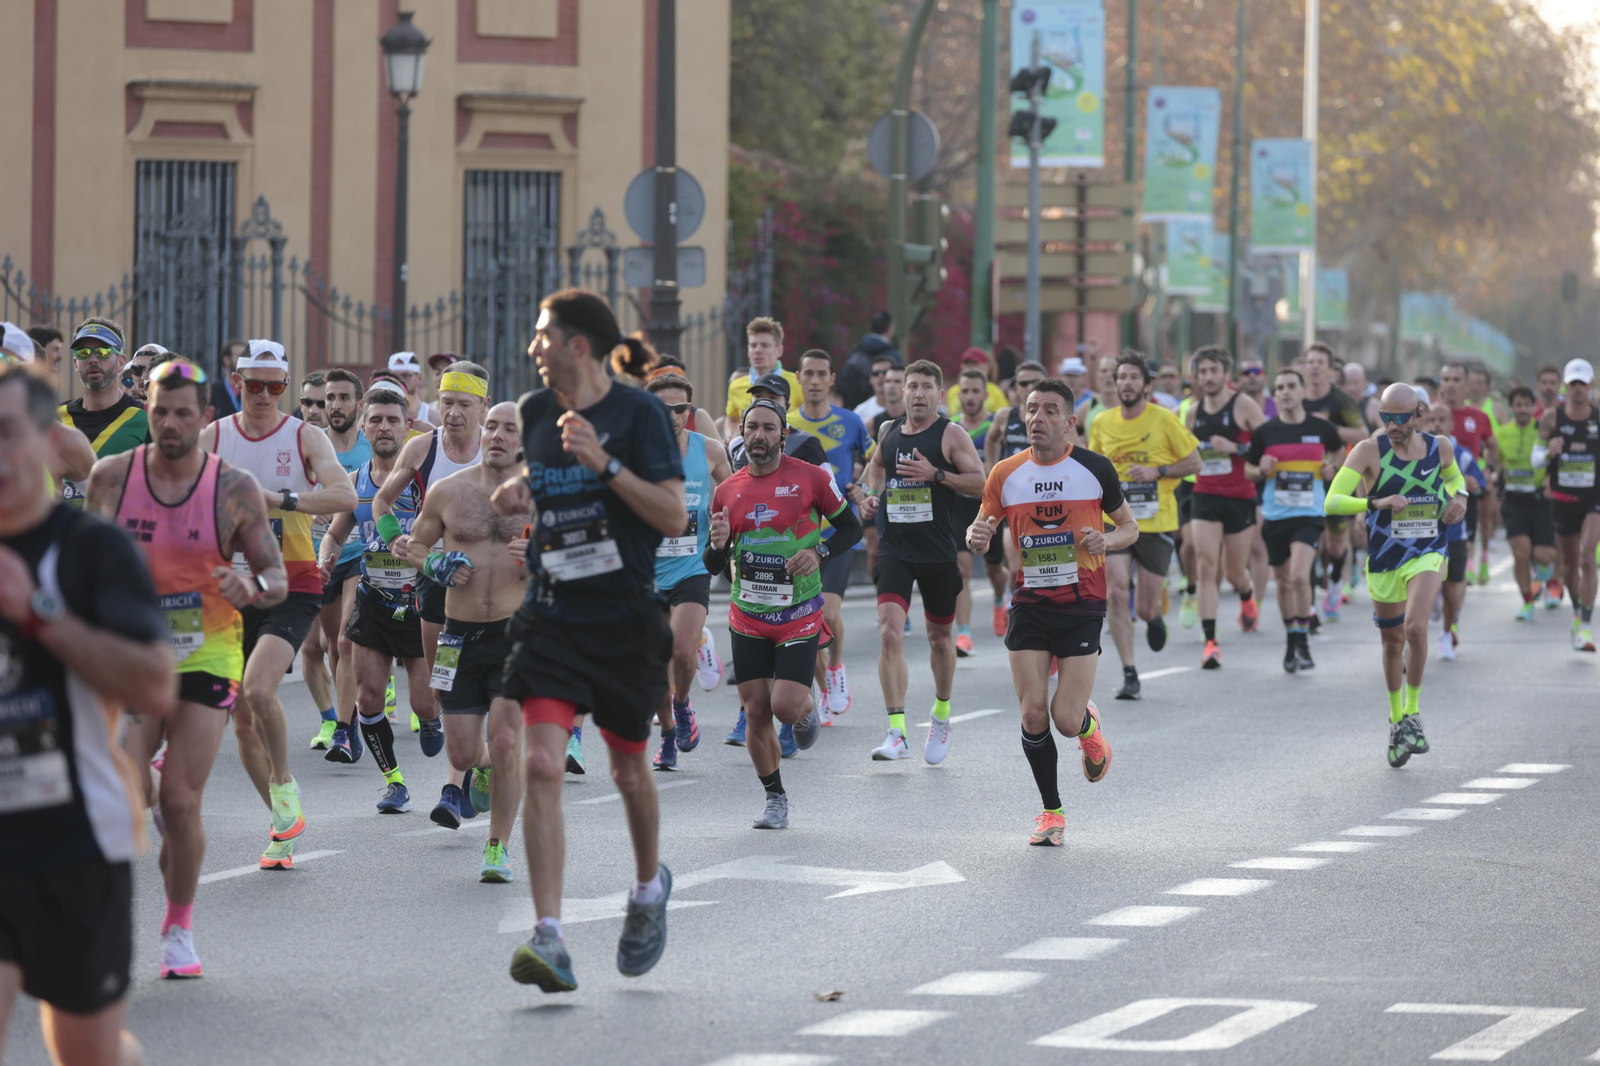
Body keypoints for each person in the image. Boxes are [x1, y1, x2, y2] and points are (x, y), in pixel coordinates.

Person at [497, 289, 684, 994]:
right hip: (552, 615)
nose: (533, 348)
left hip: (625, 619)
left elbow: (672, 516)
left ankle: (647, 889)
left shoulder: (640, 415)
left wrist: (606, 463)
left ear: (578, 345)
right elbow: (549, 471)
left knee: (628, 771)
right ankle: (549, 935)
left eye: (542, 336)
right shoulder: (534, 411)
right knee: (542, 764)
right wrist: (518, 488)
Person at [86, 359, 287, 980]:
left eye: (182, 414)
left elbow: (277, 578)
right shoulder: (111, 478)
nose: (169, 424)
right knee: (121, 797)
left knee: (179, 802)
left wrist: (251, 587)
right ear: (145, 411)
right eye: (159, 412)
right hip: (134, 656)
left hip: (208, 653)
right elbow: (82, 565)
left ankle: (177, 928)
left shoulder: (233, 489)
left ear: (205, 418)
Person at [0, 365, 176, 1066]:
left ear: (51, 444)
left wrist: (38, 613)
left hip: (75, 841)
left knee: (88, 1056)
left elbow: (155, 686)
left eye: (8, 433)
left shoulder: (90, 549)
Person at [200, 339, 358, 868]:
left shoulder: (304, 435)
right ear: (237, 382)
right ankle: (282, 822)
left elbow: (345, 496)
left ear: (285, 386)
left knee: (258, 686)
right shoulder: (215, 436)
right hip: (231, 587)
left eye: (274, 386)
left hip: (292, 583)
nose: (264, 394)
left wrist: (281, 499)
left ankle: (285, 781)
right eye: (254, 384)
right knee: (242, 722)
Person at [966, 378, 1133, 845]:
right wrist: (975, 537)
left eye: (1049, 411)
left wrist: (1107, 540)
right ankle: (1051, 812)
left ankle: (1087, 727)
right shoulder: (1005, 473)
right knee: (1033, 714)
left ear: (1070, 422)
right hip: (1030, 602)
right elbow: (980, 526)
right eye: (1032, 409)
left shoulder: (1094, 469)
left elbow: (1130, 527)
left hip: (1082, 603)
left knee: (1064, 718)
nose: (1037, 418)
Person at [705, 398, 858, 826]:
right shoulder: (727, 490)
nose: (760, 435)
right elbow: (713, 565)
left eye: (769, 428)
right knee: (756, 711)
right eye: (752, 427)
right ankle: (775, 798)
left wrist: (818, 551)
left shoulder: (811, 478)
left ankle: (806, 710)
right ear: (742, 434)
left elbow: (850, 528)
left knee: (785, 707)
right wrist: (717, 546)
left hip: (798, 613)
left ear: (784, 435)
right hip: (748, 615)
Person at [403, 401, 530, 880]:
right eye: (492, 426)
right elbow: (416, 546)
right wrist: (434, 564)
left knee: (506, 739)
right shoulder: (449, 491)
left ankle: (497, 847)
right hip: (457, 634)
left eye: (509, 429)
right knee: (461, 753)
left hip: (516, 633)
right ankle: (481, 766)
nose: (497, 435)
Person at [1326, 383, 1466, 767]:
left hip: (1428, 549)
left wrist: (1460, 498)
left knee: (1415, 628)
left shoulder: (1440, 447)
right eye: (1386, 418)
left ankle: (1414, 712)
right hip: (1385, 557)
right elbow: (1332, 501)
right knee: (1391, 643)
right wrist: (1376, 502)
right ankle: (1396, 721)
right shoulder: (1368, 450)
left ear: (1418, 414)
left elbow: (1455, 479)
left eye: (1400, 419)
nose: (1392, 426)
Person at [860, 360, 986, 763]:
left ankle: (942, 713)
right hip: (896, 549)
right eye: (912, 386)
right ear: (902, 392)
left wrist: (937, 475)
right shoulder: (889, 431)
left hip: (937, 553)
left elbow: (981, 482)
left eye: (926, 387)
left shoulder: (951, 434)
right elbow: (876, 467)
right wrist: (870, 495)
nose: (917, 393)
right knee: (889, 634)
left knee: (940, 641)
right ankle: (896, 731)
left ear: (939, 394)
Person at [320, 390, 440, 814]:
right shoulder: (356, 482)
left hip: (420, 603)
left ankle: (434, 721)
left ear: (407, 427)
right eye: (375, 420)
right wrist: (326, 556)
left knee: (424, 703)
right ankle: (394, 783)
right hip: (373, 600)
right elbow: (335, 533)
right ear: (363, 427)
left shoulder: (423, 480)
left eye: (392, 420)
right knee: (369, 698)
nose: (384, 427)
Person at [372, 361, 487, 745]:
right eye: (446, 402)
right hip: (435, 577)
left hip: (490, 580)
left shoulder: (498, 448)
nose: (453, 413)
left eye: (464, 404)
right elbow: (382, 502)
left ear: (484, 405)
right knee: (440, 684)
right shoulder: (423, 448)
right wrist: (393, 538)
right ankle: (446, 726)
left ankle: (475, 757)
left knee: (490, 680)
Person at [1088, 353, 1202, 700]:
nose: (1126, 383)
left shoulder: (1164, 419)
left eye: (1133, 377)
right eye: (1121, 377)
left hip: (1156, 522)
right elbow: (1093, 470)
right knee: (1116, 592)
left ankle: (1153, 617)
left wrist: (1158, 471)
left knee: (1145, 606)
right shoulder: (1101, 422)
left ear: (1147, 385)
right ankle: (1129, 672)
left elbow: (1194, 461)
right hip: (1115, 521)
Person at [643, 374, 732, 769]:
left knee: (681, 650)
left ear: (689, 410)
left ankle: (681, 706)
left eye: (680, 409)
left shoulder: (709, 450)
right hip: (648, 571)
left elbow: (737, 493)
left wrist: (726, 529)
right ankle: (667, 735)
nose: (672, 417)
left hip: (693, 566)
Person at [1245, 369, 1345, 672]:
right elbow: (1249, 470)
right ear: (1275, 395)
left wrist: (1332, 468)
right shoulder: (1265, 432)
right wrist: (1261, 469)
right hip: (1276, 515)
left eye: (1291, 386)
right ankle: (1291, 639)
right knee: (1284, 581)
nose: (1285, 392)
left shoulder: (1321, 428)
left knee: (1300, 576)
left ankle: (1302, 641)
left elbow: (1340, 452)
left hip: (1309, 514)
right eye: (1280, 388)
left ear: (1302, 391)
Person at [787, 350, 870, 716]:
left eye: (822, 374)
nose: (815, 381)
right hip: (797, 537)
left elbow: (876, 459)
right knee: (806, 619)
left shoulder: (851, 421)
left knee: (829, 614)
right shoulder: (786, 424)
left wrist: (863, 488)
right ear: (798, 378)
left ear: (832, 379)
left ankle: (835, 669)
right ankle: (822, 691)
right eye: (809, 373)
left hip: (837, 532)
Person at [1183, 347, 1265, 667]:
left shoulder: (1242, 405)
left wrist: (1236, 447)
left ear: (1226, 374)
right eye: (1202, 371)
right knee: (1206, 565)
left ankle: (1246, 594)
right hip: (1205, 493)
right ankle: (1210, 643)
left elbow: (1268, 442)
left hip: (1239, 496)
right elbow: (1188, 451)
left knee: (1233, 573)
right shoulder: (1193, 412)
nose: (1207, 377)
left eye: (1213, 370)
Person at [306, 369, 371, 750]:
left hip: (361, 553)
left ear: (359, 404)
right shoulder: (311, 444)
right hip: (322, 554)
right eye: (330, 397)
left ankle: (345, 730)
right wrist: (311, 510)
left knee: (347, 640)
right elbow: (290, 494)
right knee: (332, 645)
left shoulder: (369, 447)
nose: (335, 405)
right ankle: (349, 718)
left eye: (344, 397)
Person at [1300, 344, 1367, 622]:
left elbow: (1362, 433)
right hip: (1303, 480)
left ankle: (1336, 580)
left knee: (1335, 546)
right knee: (1307, 544)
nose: (1314, 367)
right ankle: (1309, 603)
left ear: (1329, 369)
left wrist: (1330, 429)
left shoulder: (1340, 400)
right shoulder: (1296, 397)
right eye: (1310, 362)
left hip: (1335, 478)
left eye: (1320, 362)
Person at [1539, 358, 1600, 652]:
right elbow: (1535, 458)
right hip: (1563, 498)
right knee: (1569, 565)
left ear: (1591, 385)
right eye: (1573, 383)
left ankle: (1586, 626)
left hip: (1593, 498)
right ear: (1566, 385)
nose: (1578, 389)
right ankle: (1577, 612)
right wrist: (1548, 453)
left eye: (1582, 383)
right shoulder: (1552, 418)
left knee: (1588, 558)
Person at [984, 361, 1048, 635]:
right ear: (1016, 387)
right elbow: (991, 440)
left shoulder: (1054, 418)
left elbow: (1078, 451)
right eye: (1023, 383)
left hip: (1047, 504)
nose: (1028, 387)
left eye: (1035, 382)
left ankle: (1038, 615)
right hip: (1013, 505)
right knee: (1015, 570)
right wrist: (991, 470)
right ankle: (1016, 607)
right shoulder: (1005, 416)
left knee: (1043, 570)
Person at [57, 319, 149, 509]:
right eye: (83, 353)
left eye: (103, 352)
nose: (92, 359)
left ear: (121, 362)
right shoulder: (56, 417)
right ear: (75, 363)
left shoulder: (143, 418)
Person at [1422, 402, 1485, 661]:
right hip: (1422, 532)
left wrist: (1471, 483)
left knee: (1451, 589)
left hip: (1454, 534)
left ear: (1451, 425)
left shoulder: (1462, 455)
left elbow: (1481, 483)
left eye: (1442, 420)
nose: (1436, 424)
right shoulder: (1415, 455)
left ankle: (1447, 634)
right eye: (1431, 420)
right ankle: (1412, 642)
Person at [1493, 386, 1557, 621]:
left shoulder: (1543, 430)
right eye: (1518, 405)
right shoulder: (1502, 433)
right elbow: (1496, 462)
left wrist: (1551, 477)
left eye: (1526, 405)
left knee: (1544, 555)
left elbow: (1555, 457)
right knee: (1521, 553)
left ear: (1533, 406)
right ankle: (1527, 602)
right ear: (1511, 408)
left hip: (1540, 499)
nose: (1522, 409)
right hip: (1514, 500)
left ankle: (1545, 570)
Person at [949, 367, 1000, 656]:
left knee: (996, 568)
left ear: (985, 394)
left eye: (975, 391)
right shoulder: (951, 428)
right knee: (962, 569)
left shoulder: (996, 425)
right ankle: (964, 634)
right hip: (959, 504)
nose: (969, 397)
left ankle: (999, 600)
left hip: (993, 505)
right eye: (964, 391)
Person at [723, 317, 800, 436]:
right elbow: (732, 419)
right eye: (753, 345)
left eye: (765, 345)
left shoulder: (797, 383)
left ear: (779, 351)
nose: (758, 350)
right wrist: (731, 435)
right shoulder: (736, 386)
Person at [838, 310, 901, 411]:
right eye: (875, 374)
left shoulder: (855, 353)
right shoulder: (893, 356)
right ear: (890, 329)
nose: (880, 377)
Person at [943, 348, 1008, 415]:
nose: (971, 368)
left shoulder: (996, 392)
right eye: (967, 364)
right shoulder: (952, 392)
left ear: (986, 367)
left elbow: (1002, 417)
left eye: (974, 364)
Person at [386, 351, 437, 427]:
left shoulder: (433, 417)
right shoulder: (380, 413)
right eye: (394, 376)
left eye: (406, 376)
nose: (399, 381)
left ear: (419, 378)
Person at [852, 351, 900, 423]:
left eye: (885, 372)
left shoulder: (908, 409)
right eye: (875, 373)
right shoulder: (860, 412)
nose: (880, 376)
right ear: (870, 379)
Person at [209, 339, 245, 417]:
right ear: (227, 360)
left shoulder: (252, 389)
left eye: (245, 357)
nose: (244, 362)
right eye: (239, 357)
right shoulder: (212, 391)